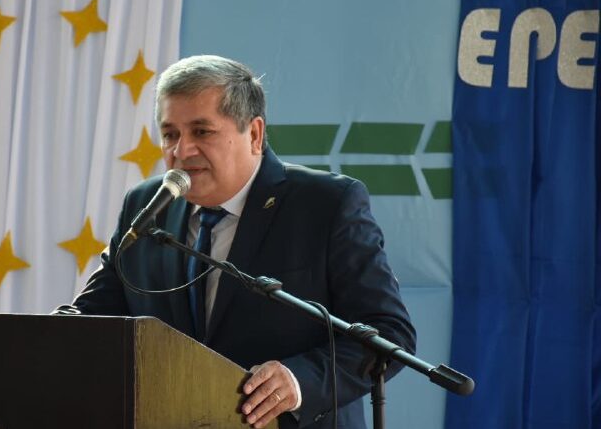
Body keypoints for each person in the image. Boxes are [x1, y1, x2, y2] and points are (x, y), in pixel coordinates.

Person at [54, 55, 416, 429]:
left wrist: (299, 380)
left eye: (201, 132)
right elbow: (91, 319)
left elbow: (389, 333)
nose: (181, 151)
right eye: (170, 134)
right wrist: (44, 339)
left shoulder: (325, 204)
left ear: (254, 134)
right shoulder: (146, 206)